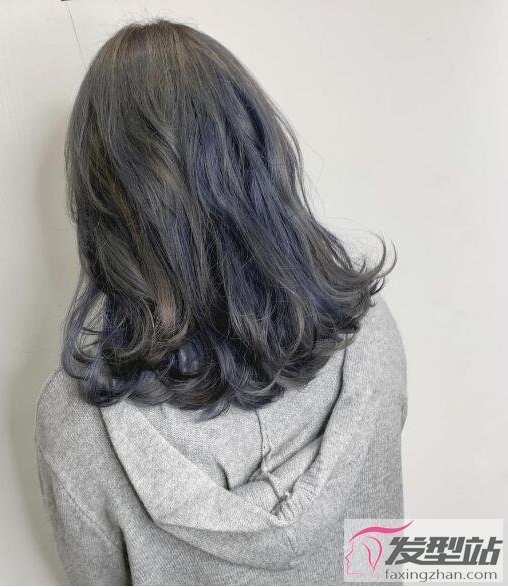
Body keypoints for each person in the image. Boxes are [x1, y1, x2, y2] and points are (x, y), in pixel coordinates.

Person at [33, 18, 407, 586]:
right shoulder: (369, 333)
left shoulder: (79, 427)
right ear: (261, 160)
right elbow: (381, 548)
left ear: (103, 209)